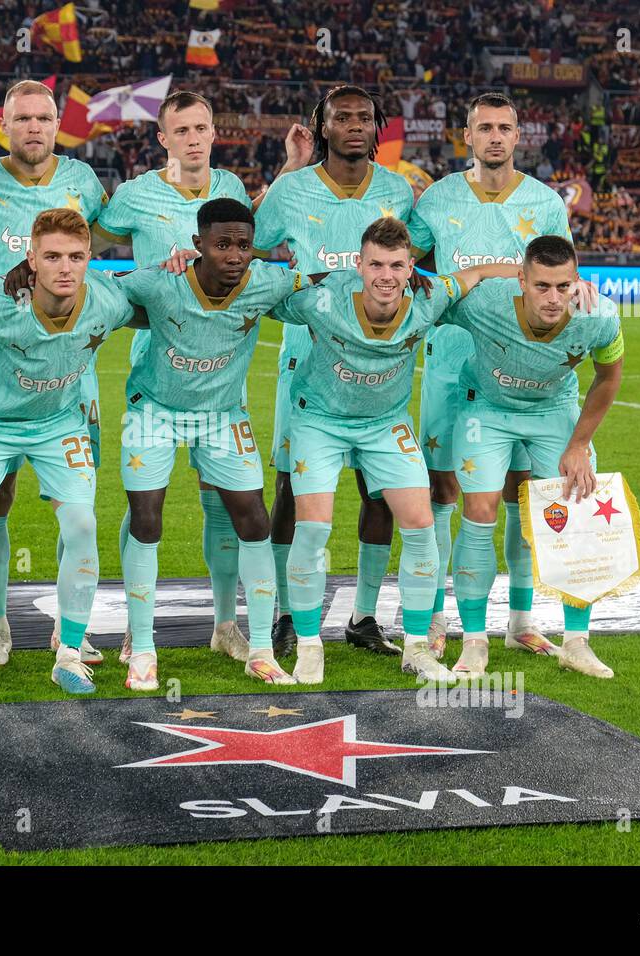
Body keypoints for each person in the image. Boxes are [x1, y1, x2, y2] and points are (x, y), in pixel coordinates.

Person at [272, 217, 521, 684]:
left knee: (422, 525)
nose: (385, 275)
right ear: (359, 266)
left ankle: (417, 649)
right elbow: (256, 290)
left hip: (386, 425)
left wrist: (547, 278)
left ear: (411, 269)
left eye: (396, 265)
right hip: (319, 422)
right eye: (376, 265)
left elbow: (478, 273)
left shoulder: (430, 297)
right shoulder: (322, 297)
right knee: (313, 527)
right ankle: (308, 646)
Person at [113, 198, 311, 690]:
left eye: (244, 245)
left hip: (222, 416)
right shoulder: (161, 281)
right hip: (154, 412)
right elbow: (96, 290)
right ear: (197, 244)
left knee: (254, 519)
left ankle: (260, 650)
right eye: (222, 245)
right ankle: (140, 646)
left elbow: (323, 281)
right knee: (146, 518)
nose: (235, 255)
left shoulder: (266, 280)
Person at [0, 209, 137, 696]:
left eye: (75, 256)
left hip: (59, 425)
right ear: (31, 259)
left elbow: (165, 289)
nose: (65, 267)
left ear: (91, 258)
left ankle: (68, 650)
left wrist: (180, 262)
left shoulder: (107, 299)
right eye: (51, 256)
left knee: (83, 525)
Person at [408, 91, 576, 664]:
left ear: (518, 135)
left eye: (505, 127)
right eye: (485, 128)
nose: (496, 137)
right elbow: (409, 264)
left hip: (519, 371)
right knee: (441, 489)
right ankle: (433, 618)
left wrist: (483, 271)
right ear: (468, 136)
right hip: (450, 359)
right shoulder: (437, 199)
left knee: (522, 495)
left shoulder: (546, 203)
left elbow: (559, 278)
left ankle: (521, 620)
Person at [253, 84, 415, 659]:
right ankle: (285, 615)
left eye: (364, 117)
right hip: (307, 363)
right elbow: (245, 244)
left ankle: (365, 616)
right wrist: (286, 168)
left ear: (378, 128)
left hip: (380, 366)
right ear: (321, 125)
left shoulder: (398, 190)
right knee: (293, 490)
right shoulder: (292, 190)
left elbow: (418, 265)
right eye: (341, 117)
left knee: (379, 492)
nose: (354, 125)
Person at [93, 90, 253, 664]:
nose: (192, 138)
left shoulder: (231, 189)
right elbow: (91, 240)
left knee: (222, 505)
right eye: (181, 129)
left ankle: (226, 623)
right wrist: (147, 276)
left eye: (202, 128)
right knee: (145, 506)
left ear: (214, 133)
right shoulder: (135, 195)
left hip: (222, 379)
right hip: (155, 373)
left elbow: (246, 250)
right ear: (163, 138)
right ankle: (137, 627)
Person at [0, 79, 107, 666]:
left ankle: (71, 628)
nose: (34, 128)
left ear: (55, 123)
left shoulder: (83, 182)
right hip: (2, 362)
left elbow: (109, 240)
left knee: (77, 506)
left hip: (74, 372)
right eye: (22, 119)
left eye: (44, 118)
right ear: (4, 125)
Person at [440, 236, 623, 678]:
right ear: (521, 281)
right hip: (486, 406)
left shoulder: (599, 315)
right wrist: (481, 272)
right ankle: (474, 640)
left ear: (577, 282)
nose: (553, 298)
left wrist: (578, 444)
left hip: (554, 410)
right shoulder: (483, 303)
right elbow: (424, 302)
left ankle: (577, 642)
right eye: (541, 286)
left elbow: (609, 376)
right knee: (480, 511)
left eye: (563, 286)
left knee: (574, 509)